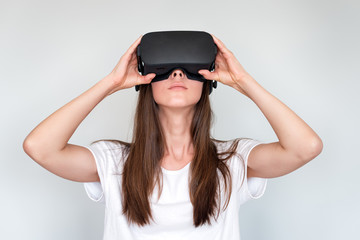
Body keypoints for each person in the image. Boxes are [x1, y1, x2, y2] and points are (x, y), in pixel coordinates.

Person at [23, 34, 323, 239]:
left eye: (190, 70)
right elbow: (39, 147)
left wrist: (243, 81)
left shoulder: (232, 160)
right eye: (165, 69)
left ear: (208, 83)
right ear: (146, 82)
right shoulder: (114, 161)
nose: (177, 75)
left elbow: (305, 147)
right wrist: (111, 83)